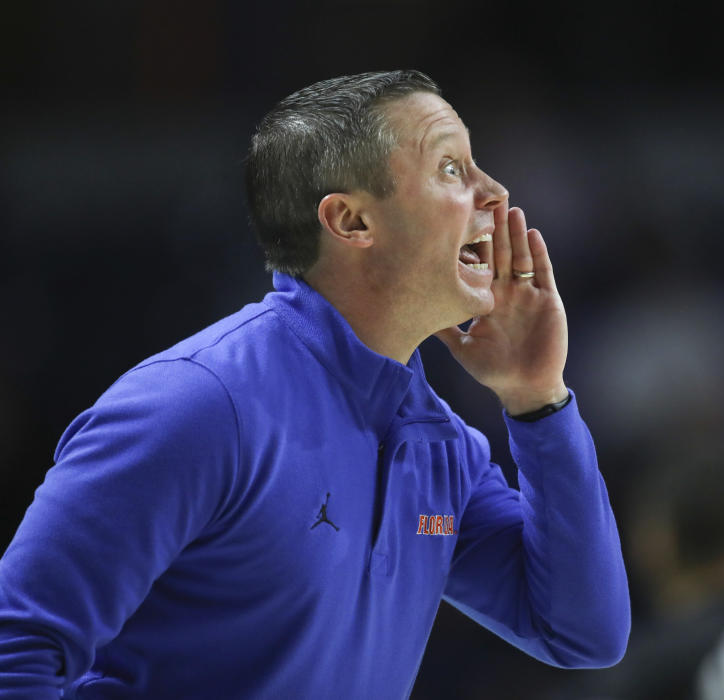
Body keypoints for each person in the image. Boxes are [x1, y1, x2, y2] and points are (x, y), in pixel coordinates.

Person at [0, 70, 630, 698]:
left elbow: (582, 634)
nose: (493, 192)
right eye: (450, 168)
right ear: (351, 220)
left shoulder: (442, 450)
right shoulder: (196, 406)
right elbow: (16, 652)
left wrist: (537, 398)